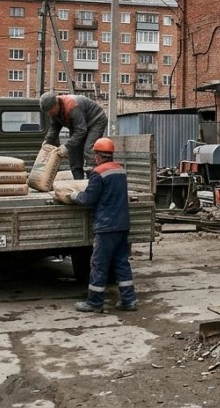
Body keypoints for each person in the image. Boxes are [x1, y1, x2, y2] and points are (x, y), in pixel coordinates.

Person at [55, 137, 138, 313]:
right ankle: (129, 301)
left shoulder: (98, 173)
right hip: (122, 224)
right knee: (122, 263)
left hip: (106, 227)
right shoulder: (120, 171)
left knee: (99, 264)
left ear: (98, 156)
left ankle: (94, 302)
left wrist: (72, 195)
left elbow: (88, 198)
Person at [40, 91, 108, 180]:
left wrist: (67, 146)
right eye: (47, 112)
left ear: (56, 105)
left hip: (96, 120)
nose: (49, 114)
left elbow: (81, 130)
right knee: (73, 151)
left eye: (50, 111)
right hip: (79, 125)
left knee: (89, 149)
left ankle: (93, 180)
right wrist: (48, 141)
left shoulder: (72, 106)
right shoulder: (54, 113)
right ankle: (78, 181)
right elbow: (54, 128)